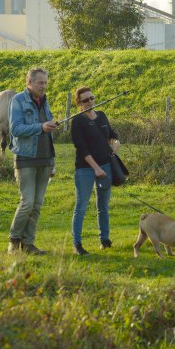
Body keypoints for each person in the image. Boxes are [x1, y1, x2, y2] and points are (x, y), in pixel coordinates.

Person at [7, 67, 59, 255]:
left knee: (37, 205)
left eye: (45, 82)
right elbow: (16, 129)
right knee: (27, 202)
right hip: (26, 159)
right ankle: (14, 242)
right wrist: (41, 127)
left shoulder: (45, 101)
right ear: (29, 82)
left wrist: (52, 161)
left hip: (45, 159)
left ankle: (28, 244)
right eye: (40, 82)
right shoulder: (18, 100)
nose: (44, 86)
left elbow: (47, 131)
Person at [69, 86, 120, 255]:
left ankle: (104, 240)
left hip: (106, 165)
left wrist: (116, 142)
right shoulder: (77, 121)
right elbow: (82, 149)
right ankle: (77, 244)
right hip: (86, 169)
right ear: (79, 103)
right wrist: (96, 168)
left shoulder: (102, 115)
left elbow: (112, 133)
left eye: (92, 98)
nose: (90, 102)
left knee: (103, 206)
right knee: (81, 206)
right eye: (85, 100)